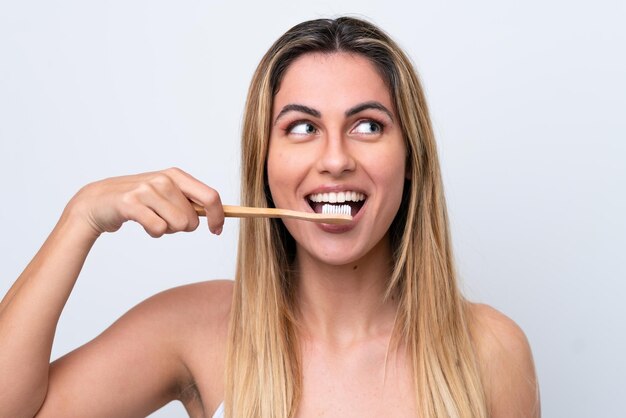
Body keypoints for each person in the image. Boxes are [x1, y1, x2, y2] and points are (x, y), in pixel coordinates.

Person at [0, 17, 539, 418]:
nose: (334, 159)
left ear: (411, 159)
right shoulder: (197, 327)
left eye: (368, 126)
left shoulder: (489, 349)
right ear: (264, 163)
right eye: (301, 128)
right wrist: (81, 217)